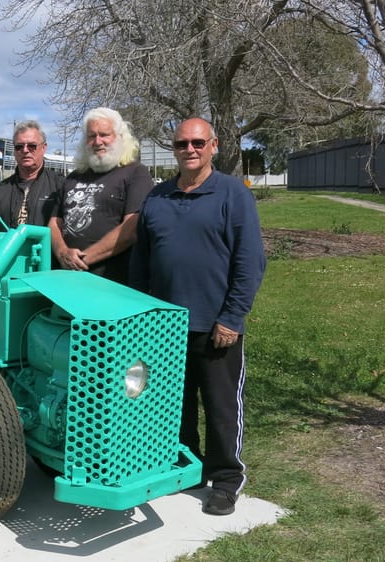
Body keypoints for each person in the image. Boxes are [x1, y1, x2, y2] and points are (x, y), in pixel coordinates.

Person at [129, 117, 267, 516]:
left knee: (221, 409)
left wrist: (232, 317)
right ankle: (187, 468)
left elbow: (250, 262)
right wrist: (142, 318)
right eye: (181, 144)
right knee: (175, 406)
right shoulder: (157, 198)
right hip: (166, 327)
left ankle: (226, 479)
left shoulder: (233, 194)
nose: (189, 150)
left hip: (216, 325)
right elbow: (141, 264)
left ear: (213, 145)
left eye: (197, 143)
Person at [50, 107, 154, 283]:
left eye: (104, 134)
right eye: (91, 136)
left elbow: (132, 228)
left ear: (120, 137)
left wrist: (81, 260)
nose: (97, 142)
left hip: (114, 282)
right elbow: (54, 223)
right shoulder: (73, 177)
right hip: (70, 280)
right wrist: (62, 253)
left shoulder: (136, 173)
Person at [0, 120, 63, 232]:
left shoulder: (60, 186)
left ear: (44, 147)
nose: (25, 150)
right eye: (19, 146)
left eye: (32, 146)